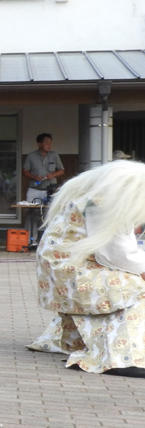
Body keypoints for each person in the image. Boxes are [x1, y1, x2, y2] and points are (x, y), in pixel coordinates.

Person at [27, 161, 145, 373]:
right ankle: (122, 356)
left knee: (122, 286)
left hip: (62, 272)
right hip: (75, 273)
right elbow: (117, 254)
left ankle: (77, 339)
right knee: (137, 290)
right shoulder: (106, 203)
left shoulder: (91, 197)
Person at [22, 133, 64, 203]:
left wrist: (53, 175)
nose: (49, 145)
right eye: (46, 142)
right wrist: (34, 176)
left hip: (51, 190)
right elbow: (24, 171)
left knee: (49, 212)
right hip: (34, 190)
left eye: (50, 143)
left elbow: (62, 171)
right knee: (32, 211)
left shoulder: (54, 155)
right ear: (39, 144)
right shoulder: (31, 156)